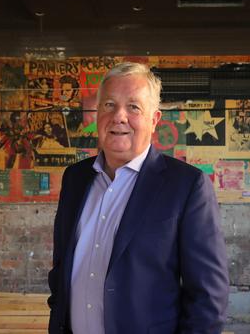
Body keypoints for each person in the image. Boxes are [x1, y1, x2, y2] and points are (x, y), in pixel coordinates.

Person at [47, 62, 229, 334]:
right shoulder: (75, 179)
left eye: (133, 107)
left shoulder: (187, 186)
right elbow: (62, 270)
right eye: (109, 105)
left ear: (154, 120)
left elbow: (208, 298)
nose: (119, 116)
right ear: (97, 114)